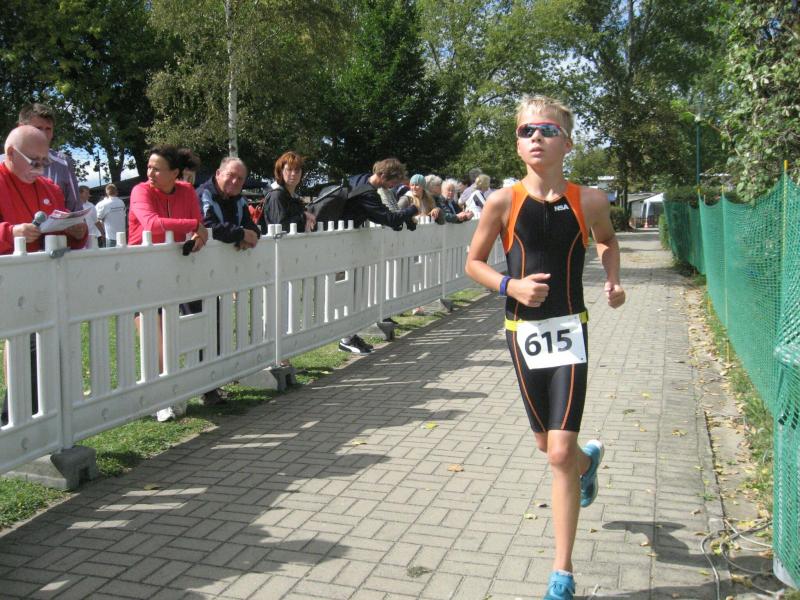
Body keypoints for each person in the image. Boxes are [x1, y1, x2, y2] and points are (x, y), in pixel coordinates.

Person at [464, 95, 625, 600]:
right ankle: (586, 464)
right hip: (522, 336)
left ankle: (562, 573)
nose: (536, 137)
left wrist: (613, 280)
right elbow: (473, 263)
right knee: (548, 447)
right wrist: (509, 286)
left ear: (568, 143)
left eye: (548, 130)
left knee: (556, 452)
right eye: (526, 130)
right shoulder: (502, 202)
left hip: (570, 333)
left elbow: (607, 240)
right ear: (517, 144)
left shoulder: (589, 200)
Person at [129, 145, 208, 421]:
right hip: (142, 272)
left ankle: (173, 394)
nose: (150, 173)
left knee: (174, 336)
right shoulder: (140, 191)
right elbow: (151, 224)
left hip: (175, 272)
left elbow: (200, 227)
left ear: (175, 173)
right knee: (155, 338)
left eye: (157, 169)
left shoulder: (186, 191)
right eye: (149, 167)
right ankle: (159, 400)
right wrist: (193, 226)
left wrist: (198, 237)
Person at [338, 158, 419, 354]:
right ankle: (346, 338)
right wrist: (412, 210)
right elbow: (389, 218)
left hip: (345, 241)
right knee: (351, 293)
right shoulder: (368, 194)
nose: (393, 185)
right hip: (344, 246)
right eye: (393, 181)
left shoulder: (360, 179)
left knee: (355, 292)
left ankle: (349, 336)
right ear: (382, 175)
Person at [0, 126, 88, 254]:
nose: (40, 171)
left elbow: (65, 241)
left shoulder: (51, 188)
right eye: (34, 162)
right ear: (11, 153)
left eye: (44, 162)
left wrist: (76, 233)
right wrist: (10, 233)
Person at [4, 103, 82, 212]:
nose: (43, 134)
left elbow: (75, 210)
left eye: (48, 129)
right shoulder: (3, 163)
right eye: (38, 128)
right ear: (21, 128)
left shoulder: (63, 163)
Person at [259, 151, 316, 234]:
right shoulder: (276, 196)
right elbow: (281, 227)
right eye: (289, 169)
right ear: (281, 171)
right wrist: (304, 217)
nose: (293, 174)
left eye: (297, 170)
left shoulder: (295, 199)